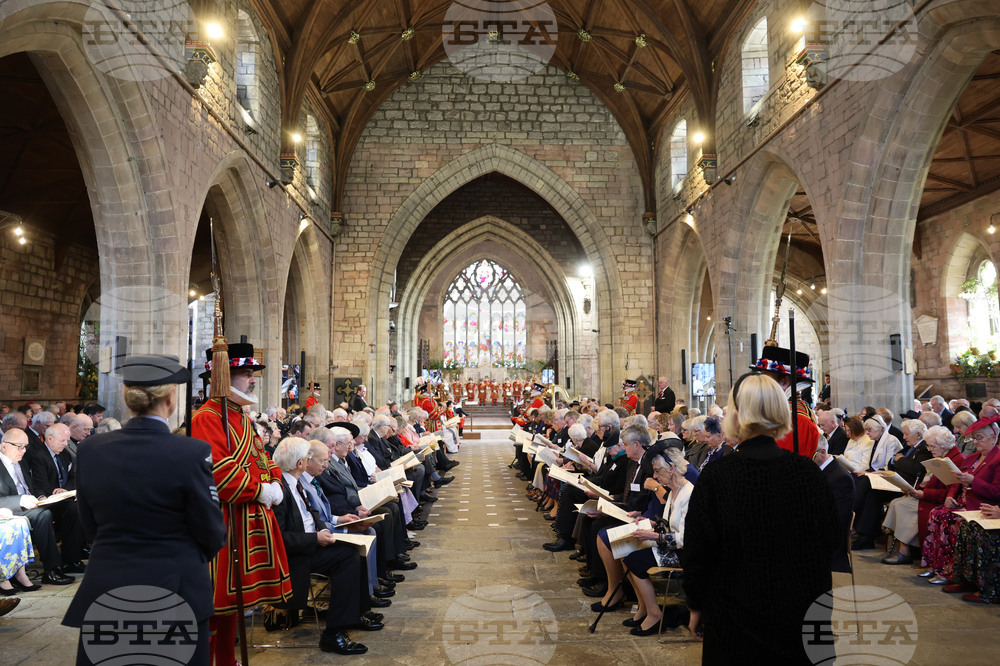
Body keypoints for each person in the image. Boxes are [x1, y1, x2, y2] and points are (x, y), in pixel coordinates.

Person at [62, 355, 227, 665]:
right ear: (169, 398)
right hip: (175, 589)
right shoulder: (191, 451)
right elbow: (212, 531)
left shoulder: (90, 449)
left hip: (108, 584)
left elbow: (90, 525)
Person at [683, 372, 839, 663]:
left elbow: (697, 550)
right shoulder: (808, 473)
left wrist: (696, 604)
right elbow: (829, 542)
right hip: (801, 611)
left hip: (735, 614)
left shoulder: (718, 476)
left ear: (737, 416)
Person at [191, 342, 292, 666]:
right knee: (215, 604)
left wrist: (274, 481)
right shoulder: (207, 418)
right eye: (246, 374)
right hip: (223, 521)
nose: (252, 380)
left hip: (245, 519)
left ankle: (226, 660)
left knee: (233, 603)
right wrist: (258, 490)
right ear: (224, 377)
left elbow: (262, 456)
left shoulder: (240, 417)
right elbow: (217, 472)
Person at [882, 426, 963, 565]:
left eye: (932, 446)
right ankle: (902, 547)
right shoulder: (941, 456)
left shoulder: (955, 459)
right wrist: (914, 490)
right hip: (930, 497)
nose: (930, 449)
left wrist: (924, 494)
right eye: (929, 446)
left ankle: (904, 550)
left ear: (943, 445)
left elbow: (949, 491)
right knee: (897, 502)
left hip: (937, 501)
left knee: (903, 505)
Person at [749, 345, 820, 458]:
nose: (761, 383)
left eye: (765, 376)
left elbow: (784, 467)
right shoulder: (784, 413)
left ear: (784, 382)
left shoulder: (795, 421)